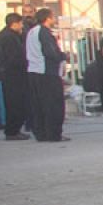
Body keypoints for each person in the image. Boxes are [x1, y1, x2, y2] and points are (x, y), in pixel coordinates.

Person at [25, 8, 68, 143]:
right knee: (53, 104)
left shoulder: (32, 31)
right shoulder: (44, 32)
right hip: (47, 72)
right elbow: (50, 52)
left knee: (38, 104)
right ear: (48, 18)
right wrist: (63, 56)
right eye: (52, 17)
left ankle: (41, 133)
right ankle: (54, 134)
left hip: (34, 71)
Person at [0, 12, 31, 140]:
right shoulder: (8, 37)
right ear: (14, 24)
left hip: (13, 75)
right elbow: (14, 57)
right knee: (15, 104)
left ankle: (14, 130)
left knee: (16, 103)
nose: (22, 26)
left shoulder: (10, 35)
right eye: (20, 23)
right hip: (13, 75)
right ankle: (12, 131)